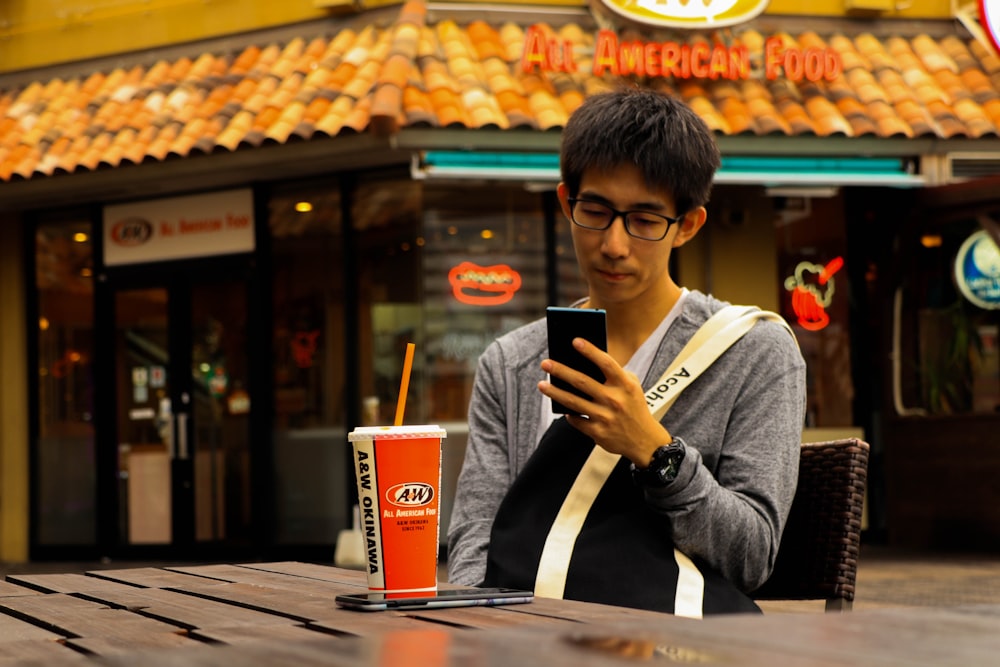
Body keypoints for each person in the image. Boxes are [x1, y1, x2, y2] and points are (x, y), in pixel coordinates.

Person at [446, 87, 806, 614]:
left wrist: (656, 452)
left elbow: (751, 557)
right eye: (595, 210)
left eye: (643, 219)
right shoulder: (512, 361)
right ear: (567, 201)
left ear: (687, 225)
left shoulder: (755, 351)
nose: (613, 244)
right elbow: (476, 537)